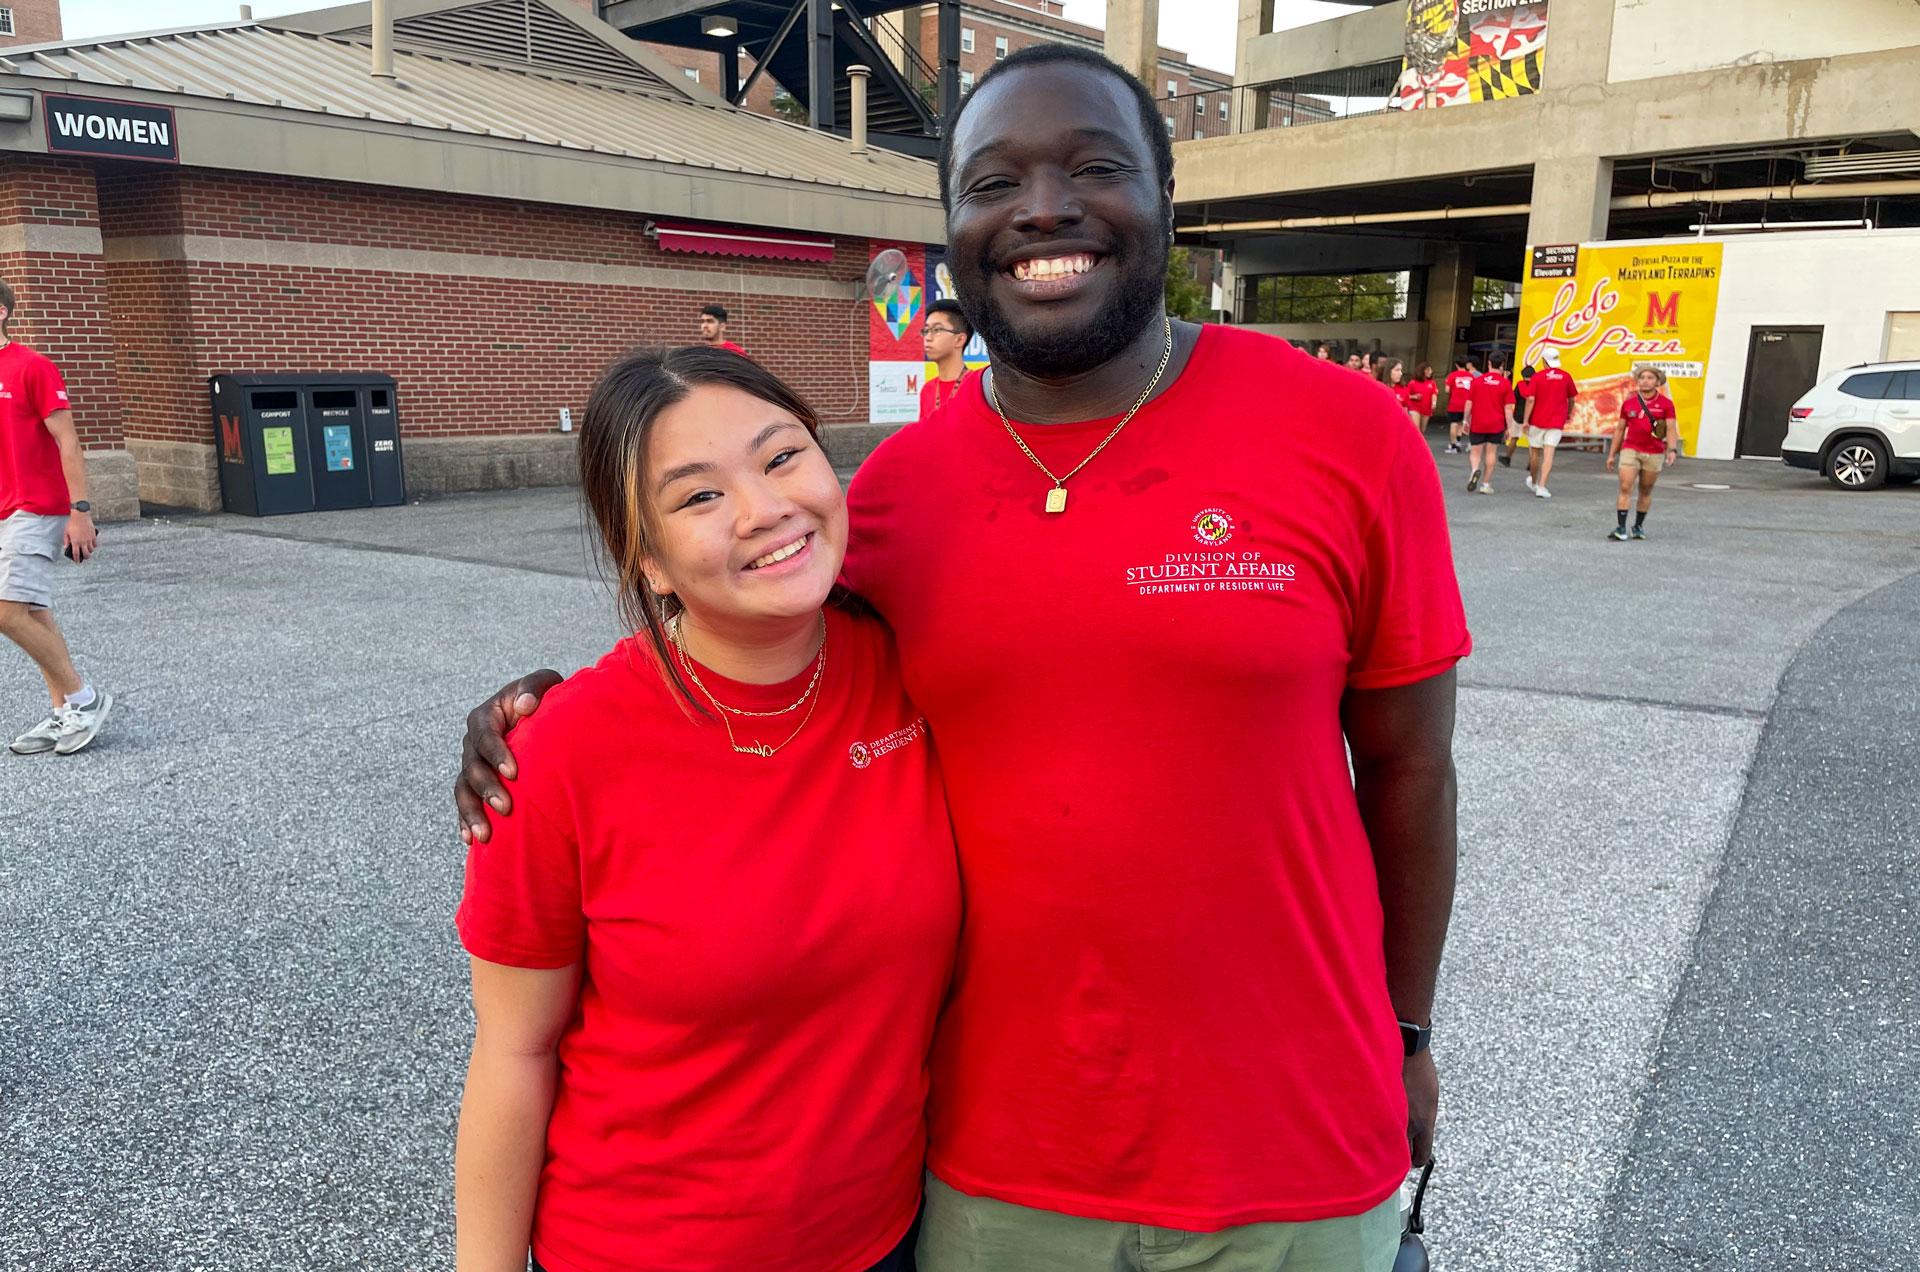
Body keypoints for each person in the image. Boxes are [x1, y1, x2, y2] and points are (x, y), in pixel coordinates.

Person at [459, 44, 1467, 1272]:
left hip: (1296, 1147)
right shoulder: (893, 503)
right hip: (990, 1168)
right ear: (953, 232)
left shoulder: (1347, 435)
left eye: (1095, 167)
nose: (1044, 207)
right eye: (994, 182)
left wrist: (1407, 1031)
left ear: (1165, 201)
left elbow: (1411, 772)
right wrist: (535, 722)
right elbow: (744, 633)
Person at [453, 346, 959, 1272]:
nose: (765, 511)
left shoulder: (914, 668)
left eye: (780, 458)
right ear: (647, 561)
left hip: (882, 1239)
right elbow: (513, 1058)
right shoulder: (561, 754)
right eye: (698, 497)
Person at [2, 280, 111, 757]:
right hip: (4, 508)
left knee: (5, 611)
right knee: (33, 612)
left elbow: (68, 440)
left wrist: (80, 511)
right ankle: (64, 709)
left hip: (37, 504)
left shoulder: (34, 366)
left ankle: (85, 699)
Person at [1606, 363, 1680, 540]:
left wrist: (1672, 449)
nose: (1645, 381)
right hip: (1631, 449)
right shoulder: (1629, 403)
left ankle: (1638, 526)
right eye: (1642, 378)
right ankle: (1621, 528)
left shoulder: (1666, 404)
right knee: (1625, 486)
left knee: (1646, 489)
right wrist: (1612, 454)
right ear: (1637, 381)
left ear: (1657, 382)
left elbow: (1670, 429)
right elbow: (1619, 429)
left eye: (1650, 378)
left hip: (1654, 452)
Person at [1522, 347, 1576, 499]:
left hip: (1537, 420)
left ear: (1544, 361)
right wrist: (1568, 413)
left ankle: (1533, 481)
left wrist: (1526, 420)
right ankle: (1542, 486)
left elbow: (1530, 399)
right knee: (1549, 454)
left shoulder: (1537, 377)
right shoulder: (1566, 376)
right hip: (1557, 420)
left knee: (1534, 453)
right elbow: (1571, 399)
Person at [1462, 351, 1515, 494]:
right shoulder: (1505, 383)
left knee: (1475, 452)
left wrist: (1465, 420)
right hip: (1496, 424)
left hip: (1478, 422)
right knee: (1491, 453)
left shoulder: (1477, 381)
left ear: (1489, 363)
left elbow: (1468, 403)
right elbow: (1508, 408)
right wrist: (1510, 427)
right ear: (1503, 365)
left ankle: (1475, 469)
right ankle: (1485, 484)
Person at [919, 298, 974, 421]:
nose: (928, 338)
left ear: (959, 339)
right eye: (926, 330)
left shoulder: (977, 387)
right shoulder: (927, 390)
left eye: (937, 330)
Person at [1499, 363, 1533, 468]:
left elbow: (1513, 399)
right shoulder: (1536, 385)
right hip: (1532, 417)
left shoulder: (1520, 385)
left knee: (1514, 438)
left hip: (1518, 416)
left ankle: (1507, 458)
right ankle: (1531, 464)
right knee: (1533, 442)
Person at [1442, 357, 1476, 454]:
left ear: (1456, 365)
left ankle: (1454, 446)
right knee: (1462, 423)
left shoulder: (1452, 375)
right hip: (1467, 404)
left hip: (1455, 403)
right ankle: (1459, 441)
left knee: (1454, 423)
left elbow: (1447, 390)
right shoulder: (1471, 376)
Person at [1407, 361, 1439, 435]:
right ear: (1422, 371)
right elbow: (1406, 395)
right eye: (1427, 370)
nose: (1430, 372)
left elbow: (1434, 394)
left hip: (1427, 408)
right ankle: (1414, 445)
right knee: (1416, 429)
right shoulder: (1413, 382)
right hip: (1414, 407)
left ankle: (1418, 444)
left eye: (1430, 370)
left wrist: (1434, 403)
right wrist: (1414, 396)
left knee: (1422, 430)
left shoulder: (1432, 382)